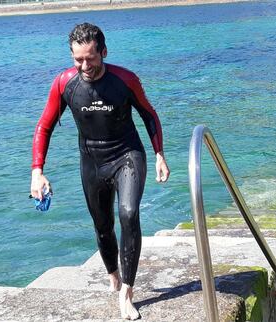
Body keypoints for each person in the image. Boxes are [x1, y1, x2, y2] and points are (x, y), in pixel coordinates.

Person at [30, 22, 170, 320]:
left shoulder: (125, 80)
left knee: (129, 214)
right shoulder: (64, 84)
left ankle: (127, 293)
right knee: (103, 226)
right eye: (78, 59)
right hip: (92, 161)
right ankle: (113, 275)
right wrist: (37, 171)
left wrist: (159, 154)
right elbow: (44, 126)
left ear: (103, 52)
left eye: (90, 59)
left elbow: (149, 114)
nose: (84, 66)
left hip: (127, 154)